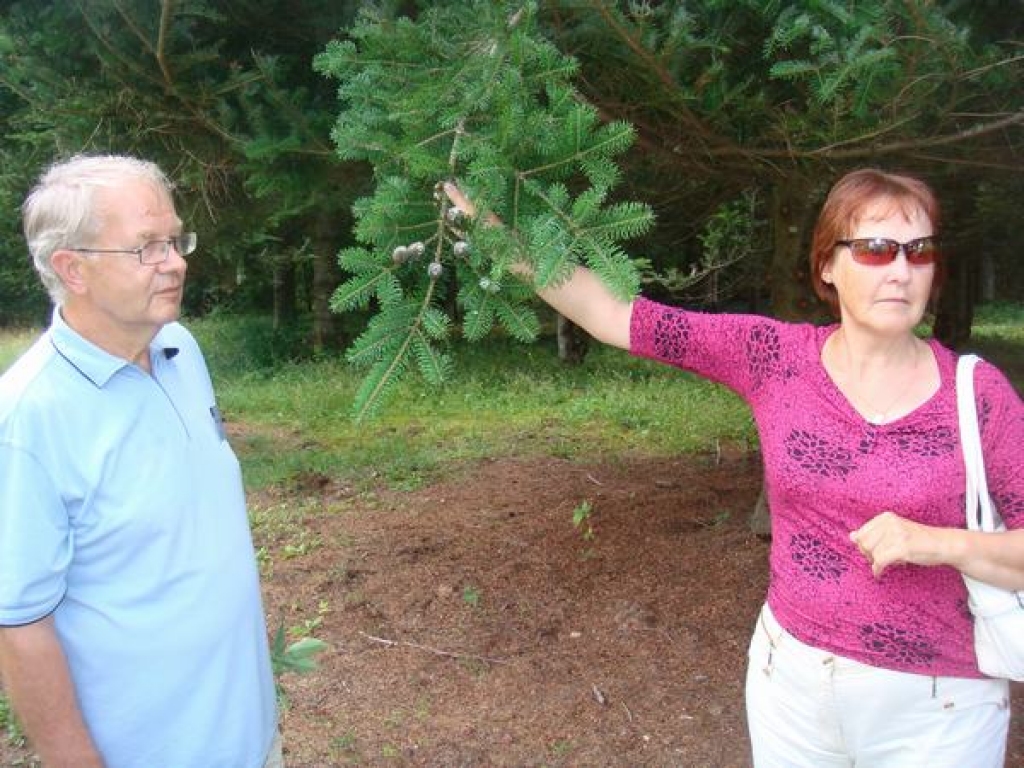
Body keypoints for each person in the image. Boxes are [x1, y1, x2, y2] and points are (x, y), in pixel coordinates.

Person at [444, 168, 1023, 767]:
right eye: (876, 249)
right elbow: (616, 314)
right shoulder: (773, 358)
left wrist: (939, 543)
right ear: (828, 264)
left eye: (918, 251)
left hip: (936, 710)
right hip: (791, 685)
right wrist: (494, 235)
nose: (901, 271)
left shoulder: (975, 394)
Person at [0, 155, 280, 768]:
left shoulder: (179, 347)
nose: (175, 261)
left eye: (176, 240)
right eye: (146, 248)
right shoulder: (27, 418)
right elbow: (18, 626)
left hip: (248, 736)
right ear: (71, 269)